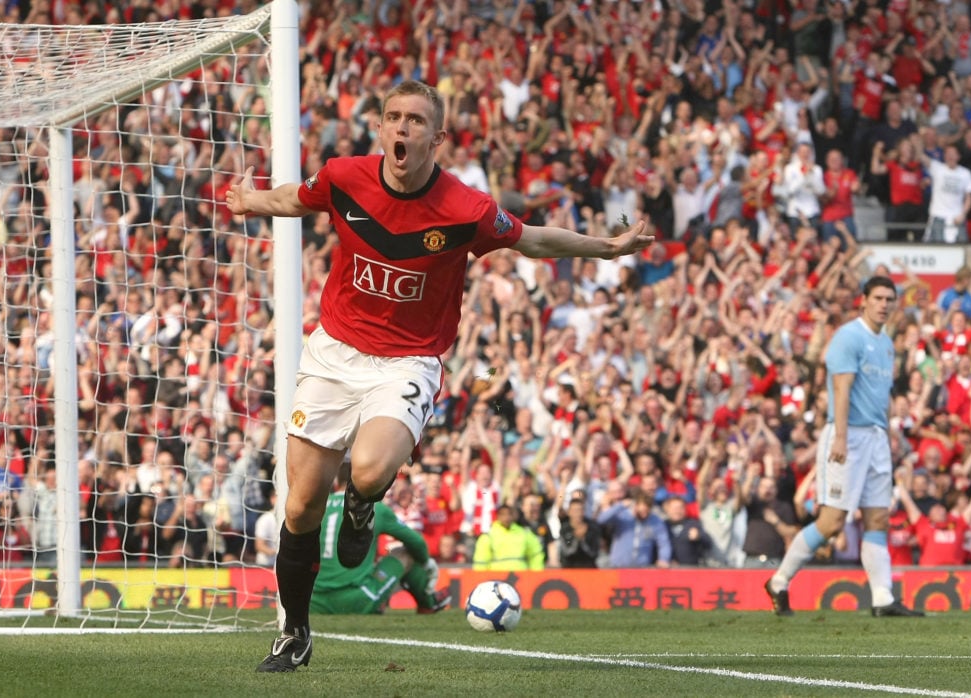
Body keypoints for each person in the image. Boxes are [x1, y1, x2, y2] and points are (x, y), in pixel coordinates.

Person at [225, 79, 653, 672]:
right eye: (393, 117)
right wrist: (249, 201)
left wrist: (605, 249)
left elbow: (531, 240)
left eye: (416, 121)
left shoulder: (467, 208)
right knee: (298, 508)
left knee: (371, 467)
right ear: (379, 127)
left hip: (409, 359)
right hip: (333, 354)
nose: (402, 129)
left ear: (438, 137)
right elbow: (295, 201)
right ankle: (294, 634)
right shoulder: (344, 176)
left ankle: (362, 504)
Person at [765, 276, 924, 617]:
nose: (884, 304)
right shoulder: (849, 337)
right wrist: (839, 436)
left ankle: (882, 597)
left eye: (889, 299)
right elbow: (841, 389)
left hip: (877, 437)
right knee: (832, 522)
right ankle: (779, 581)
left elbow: (881, 393)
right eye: (878, 298)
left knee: (878, 517)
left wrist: (888, 433)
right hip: (847, 434)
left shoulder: (886, 344)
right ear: (863, 300)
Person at [311, 464, 450, 615]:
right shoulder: (374, 508)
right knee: (406, 552)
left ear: (336, 482)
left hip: (315, 602)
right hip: (357, 600)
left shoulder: (317, 507)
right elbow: (417, 542)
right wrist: (427, 563)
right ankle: (428, 603)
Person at [596, 490, 672, 568]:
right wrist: (620, 505)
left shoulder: (655, 521)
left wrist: (664, 558)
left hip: (642, 567)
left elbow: (663, 543)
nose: (644, 515)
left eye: (646, 512)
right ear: (635, 506)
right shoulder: (623, 516)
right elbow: (602, 520)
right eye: (641, 512)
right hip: (618, 565)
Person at [472, 503, 545, 571]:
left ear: (513, 516)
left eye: (509, 514)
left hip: (520, 577)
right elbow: (481, 561)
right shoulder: (488, 536)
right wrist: (480, 578)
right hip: (497, 578)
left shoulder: (524, 533)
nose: (506, 518)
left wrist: (536, 573)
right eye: (503, 515)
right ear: (498, 516)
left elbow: (536, 553)